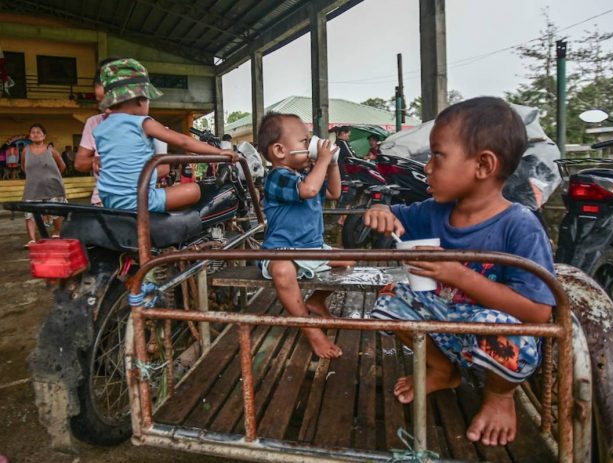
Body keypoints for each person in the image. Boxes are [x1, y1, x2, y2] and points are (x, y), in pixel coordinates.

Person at [363, 97, 555, 447]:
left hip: (495, 336)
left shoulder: (520, 225)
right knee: (390, 297)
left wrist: (460, 275)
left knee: (505, 329)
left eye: (437, 155)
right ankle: (442, 369)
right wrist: (380, 210)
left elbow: (540, 312)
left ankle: (500, 396)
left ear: (483, 164)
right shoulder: (433, 211)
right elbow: (394, 215)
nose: (427, 167)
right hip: (444, 322)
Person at [257, 112, 353, 358]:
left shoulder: (305, 175)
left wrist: (330, 164)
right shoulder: (278, 177)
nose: (310, 146)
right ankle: (311, 330)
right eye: (304, 142)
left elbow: (333, 192)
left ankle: (316, 301)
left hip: (313, 249)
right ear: (279, 151)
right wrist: (321, 160)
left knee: (350, 259)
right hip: (283, 252)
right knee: (282, 270)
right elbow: (309, 190)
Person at [93, 58, 237, 212]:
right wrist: (220, 152)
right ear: (140, 100)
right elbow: (183, 141)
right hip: (142, 200)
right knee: (195, 189)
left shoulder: (101, 128)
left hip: (109, 201)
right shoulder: (144, 123)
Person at [74, 56, 122, 206]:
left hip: (137, 200)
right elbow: (80, 163)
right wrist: (95, 160)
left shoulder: (145, 124)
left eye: (110, 100)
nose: (105, 108)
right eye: (99, 101)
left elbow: (162, 168)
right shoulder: (94, 123)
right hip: (103, 201)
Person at [21, 123, 67, 246]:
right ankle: (32, 239)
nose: (35, 134)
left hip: (53, 186)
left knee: (55, 211)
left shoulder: (50, 150)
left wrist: (52, 177)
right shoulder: (25, 150)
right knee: (30, 214)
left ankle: (57, 232)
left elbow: (62, 166)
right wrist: (35, 177)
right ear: (29, 136)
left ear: (44, 136)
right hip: (32, 187)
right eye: (33, 132)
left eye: (38, 132)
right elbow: (24, 167)